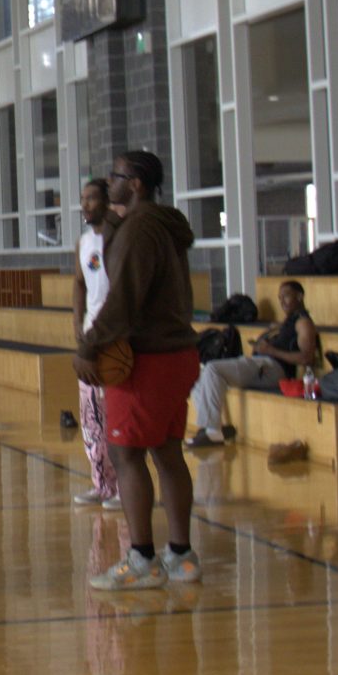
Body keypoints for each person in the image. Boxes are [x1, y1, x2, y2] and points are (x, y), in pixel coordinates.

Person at [72, 150, 203, 589]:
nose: (109, 183)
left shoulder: (140, 231)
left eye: (117, 175)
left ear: (138, 184)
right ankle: (182, 555)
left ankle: (142, 557)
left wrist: (89, 345)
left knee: (126, 455)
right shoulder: (160, 225)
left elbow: (123, 300)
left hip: (148, 358)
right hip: (178, 353)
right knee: (167, 452)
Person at [188, 279, 321, 449]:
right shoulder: (287, 322)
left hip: (274, 369)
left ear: (300, 296)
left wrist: (270, 350)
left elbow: (307, 358)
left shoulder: (303, 322)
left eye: (286, 296)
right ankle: (211, 428)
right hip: (262, 363)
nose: (282, 301)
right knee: (201, 374)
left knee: (213, 369)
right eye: (279, 298)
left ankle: (212, 431)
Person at [68, 177, 119, 510]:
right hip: (90, 336)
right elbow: (78, 283)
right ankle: (102, 483)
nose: (85, 204)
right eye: (82, 198)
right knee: (91, 417)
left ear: (106, 201)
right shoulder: (84, 242)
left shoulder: (119, 239)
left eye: (91, 198)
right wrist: (77, 322)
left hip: (115, 336)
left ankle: (126, 488)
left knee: (116, 414)